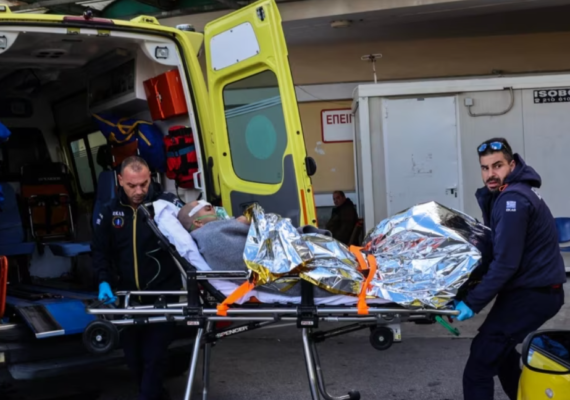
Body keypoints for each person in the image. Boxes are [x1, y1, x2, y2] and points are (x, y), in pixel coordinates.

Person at [453, 138, 566, 400]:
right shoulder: (510, 194)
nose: (490, 174)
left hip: (533, 294)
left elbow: (505, 263)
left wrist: (472, 302)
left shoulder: (512, 200)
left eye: (497, 166)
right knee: (500, 356)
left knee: (479, 366)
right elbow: (496, 251)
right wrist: (464, 288)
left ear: (512, 165)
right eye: (485, 168)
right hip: (533, 290)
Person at [91, 156, 184, 400]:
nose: (139, 191)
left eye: (144, 184)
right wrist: (103, 280)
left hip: (163, 294)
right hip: (128, 297)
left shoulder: (166, 205)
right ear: (120, 180)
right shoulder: (110, 212)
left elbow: (193, 232)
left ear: (150, 178)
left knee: (154, 356)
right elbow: (100, 251)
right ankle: (156, 394)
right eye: (132, 185)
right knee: (134, 360)